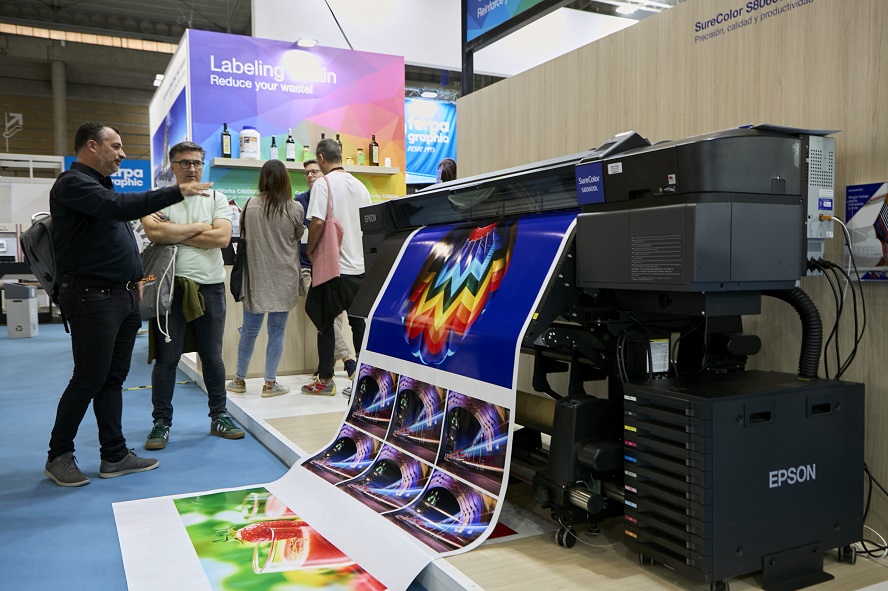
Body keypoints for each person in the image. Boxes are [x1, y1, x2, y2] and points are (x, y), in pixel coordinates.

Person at [45, 121, 213, 487]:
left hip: (119, 297)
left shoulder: (101, 185)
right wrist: (176, 192)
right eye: (116, 146)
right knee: (88, 378)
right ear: (92, 146)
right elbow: (118, 208)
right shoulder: (74, 184)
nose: (122, 154)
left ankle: (114, 455)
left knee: (112, 379)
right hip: (91, 297)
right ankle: (58, 455)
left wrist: (135, 275)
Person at [140, 141, 243, 450]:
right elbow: (154, 233)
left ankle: (219, 415)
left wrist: (176, 231)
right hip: (169, 287)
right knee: (167, 359)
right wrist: (200, 228)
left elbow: (222, 237)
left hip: (210, 286)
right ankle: (161, 422)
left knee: (212, 356)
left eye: (197, 162)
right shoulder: (158, 198)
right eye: (184, 162)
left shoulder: (217, 198)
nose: (192, 168)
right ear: (172, 166)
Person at [225, 160, 304, 397]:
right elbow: (298, 235)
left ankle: (239, 380)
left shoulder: (250, 205)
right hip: (284, 277)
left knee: (249, 330)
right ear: (285, 180)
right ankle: (270, 384)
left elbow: (243, 234)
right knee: (277, 331)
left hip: (255, 277)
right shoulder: (295, 208)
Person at [302, 139, 372, 396]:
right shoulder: (361, 187)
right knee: (358, 323)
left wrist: (310, 249)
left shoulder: (324, 184)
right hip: (359, 268)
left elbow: (318, 222)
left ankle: (325, 380)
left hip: (334, 268)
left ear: (321, 158)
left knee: (325, 322)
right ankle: (364, 381)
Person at [294, 159, 357, 381]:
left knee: (333, 318)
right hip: (308, 267)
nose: (310, 176)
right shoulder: (299, 202)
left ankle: (325, 367)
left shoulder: (334, 195)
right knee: (323, 316)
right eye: (307, 173)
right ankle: (347, 359)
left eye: (314, 171)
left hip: (333, 266)